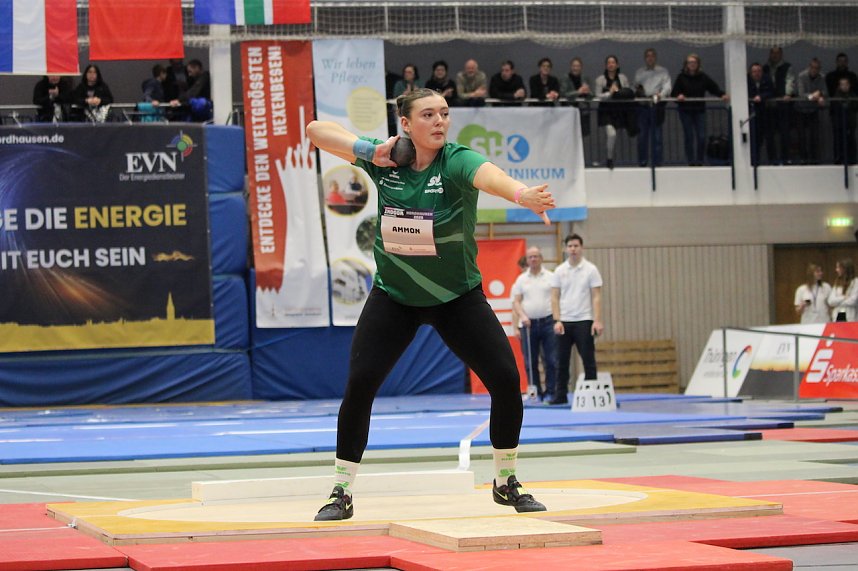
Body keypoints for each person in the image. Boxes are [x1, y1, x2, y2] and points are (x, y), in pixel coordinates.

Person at [306, 88, 554, 521]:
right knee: (360, 384)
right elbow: (315, 131)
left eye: (444, 113)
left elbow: (489, 175)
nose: (439, 121)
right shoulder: (386, 161)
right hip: (395, 297)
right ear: (406, 124)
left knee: (505, 378)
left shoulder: (455, 160)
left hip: (455, 297)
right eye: (428, 115)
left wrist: (521, 194)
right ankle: (341, 491)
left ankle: (505, 480)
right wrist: (370, 149)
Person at [550, 234, 603, 405]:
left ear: (582, 248)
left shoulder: (591, 269)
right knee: (561, 360)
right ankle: (560, 395)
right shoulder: (559, 270)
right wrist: (557, 320)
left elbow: (596, 296)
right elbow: (554, 297)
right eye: (570, 246)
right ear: (565, 249)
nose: (573, 249)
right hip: (564, 321)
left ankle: (592, 395)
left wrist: (597, 320)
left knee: (588, 359)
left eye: (576, 246)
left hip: (584, 320)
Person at [512, 247, 557, 402]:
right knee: (530, 361)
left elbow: (556, 299)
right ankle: (535, 392)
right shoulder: (521, 280)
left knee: (551, 359)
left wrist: (558, 319)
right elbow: (516, 302)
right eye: (530, 257)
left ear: (541, 258)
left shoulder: (551, 277)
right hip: (529, 325)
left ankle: (551, 391)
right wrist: (522, 316)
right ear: (527, 260)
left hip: (548, 322)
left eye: (536, 256)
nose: (533, 259)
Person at [670, 53, 729, 166]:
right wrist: (679, 97)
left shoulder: (703, 77)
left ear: (698, 64)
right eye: (690, 62)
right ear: (686, 65)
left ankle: (700, 160)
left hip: (699, 110)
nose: (692, 64)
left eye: (694, 62)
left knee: (702, 136)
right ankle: (691, 161)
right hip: (685, 111)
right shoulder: (681, 77)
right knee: (689, 136)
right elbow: (674, 94)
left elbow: (713, 88)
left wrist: (722, 94)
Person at [594, 55, 635, 170]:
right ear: (606, 65)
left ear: (617, 65)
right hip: (606, 111)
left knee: (624, 135)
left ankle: (617, 156)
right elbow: (598, 96)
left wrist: (619, 92)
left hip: (620, 110)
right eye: (609, 62)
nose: (611, 65)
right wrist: (610, 93)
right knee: (611, 134)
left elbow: (628, 92)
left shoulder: (623, 78)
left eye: (613, 62)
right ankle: (609, 158)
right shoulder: (600, 79)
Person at [633, 48, 671, 167]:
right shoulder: (639, 72)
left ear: (655, 57)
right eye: (648, 56)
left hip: (656, 106)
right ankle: (642, 162)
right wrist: (637, 90)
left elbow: (667, 87)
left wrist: (661, 95)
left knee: (657, 137)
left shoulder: (663, 71)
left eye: (652, 56)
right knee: (642, 136)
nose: (650, 58)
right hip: (643, 106)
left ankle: (657, 164)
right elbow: (634, 86)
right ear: (645, 58)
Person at [762, 47, 796, 164]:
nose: (775, 56)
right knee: (769, 135)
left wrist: (787, 94)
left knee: (784, 134)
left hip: (782, 105)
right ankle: (772, 159)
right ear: (770, 54)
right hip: (769, 105)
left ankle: (785, 159)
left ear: (781, 54)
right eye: (773, 53)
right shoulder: (765, 68)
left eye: (777, 53)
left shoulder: (787, 67)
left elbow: (790, 81)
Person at [796, 58, 826, 164]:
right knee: (802, 136)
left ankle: (814, 160)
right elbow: (800, 93)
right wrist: (812, 96)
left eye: (817, 68)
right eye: (812, 67)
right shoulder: (801, 76)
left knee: (814, 136)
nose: (814, 70)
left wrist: (821, 95)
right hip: (801, 109)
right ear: (809, 67)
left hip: (813, 110)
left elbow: (824, 91)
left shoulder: (821, 77)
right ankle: (803, 159)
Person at [747, 62, 775, 166]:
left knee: (770, 139)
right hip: (753, 114)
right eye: (754, 71)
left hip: (766, 113)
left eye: (759, 71)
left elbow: (771, 91)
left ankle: (772, 161)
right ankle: (754, 162)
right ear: (750, 73)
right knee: (755, 140)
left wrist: (761, 97)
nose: (756, 74)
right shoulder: (747, 81)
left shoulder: (767, 79)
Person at [559, 57, 593, 137]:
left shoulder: (585, 78)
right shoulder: (565, 78)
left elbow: (592, 95)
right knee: (569, 135)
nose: (576, 68)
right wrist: (578, 92)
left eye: (578, 66)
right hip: (569, 111)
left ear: (581, 67)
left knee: (582, 135)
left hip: (583, 111)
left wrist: (588, 92)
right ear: (571, 67)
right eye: (574, 66)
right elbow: (563, 94)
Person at [831, 77, 858, 165]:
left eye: (846, 84)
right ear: (839, 86)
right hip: (839, 124)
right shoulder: (836, 96)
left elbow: (855, 106)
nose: (845, 86)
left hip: (850, 123)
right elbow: (836, 108)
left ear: (849, 85)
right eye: (842, 84)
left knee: (851, 142)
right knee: (839, 142)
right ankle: (839, 159)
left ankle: (852, 159)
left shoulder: (853, 95)